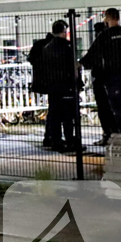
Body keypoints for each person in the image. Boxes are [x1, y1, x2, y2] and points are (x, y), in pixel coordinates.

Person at [81, 8, 121, 135]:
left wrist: (80, 63)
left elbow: (93, 53)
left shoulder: (105, 35)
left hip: (113, 76)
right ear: (118, 18)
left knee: (117, 107)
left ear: (107, 18)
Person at [42, 19, 83, 153]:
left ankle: (56, 141)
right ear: (64, 31)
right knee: (68, 115)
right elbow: (73, 67)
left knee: (54, 114)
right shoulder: (68, 47)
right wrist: (77, 81)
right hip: (67, 85)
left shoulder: (47, 48)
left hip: (53, 85)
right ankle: (71, 141)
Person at [80, 22, 116, 146]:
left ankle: (108, 135)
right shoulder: (113, 43)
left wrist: (79, 64)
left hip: (100, 80)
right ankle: (118, 135)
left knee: (104, 109)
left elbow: (88, 61)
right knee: (115, 108)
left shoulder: (98, 44)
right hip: (114, 80)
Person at [26, 31, 54, 147]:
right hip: (55, 81)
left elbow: (31, 59)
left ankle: (49, 137)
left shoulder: (39, 44)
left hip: (42, 80)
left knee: (53, 110)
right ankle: (53, 137)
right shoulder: (54, 45)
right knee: (56, 111)